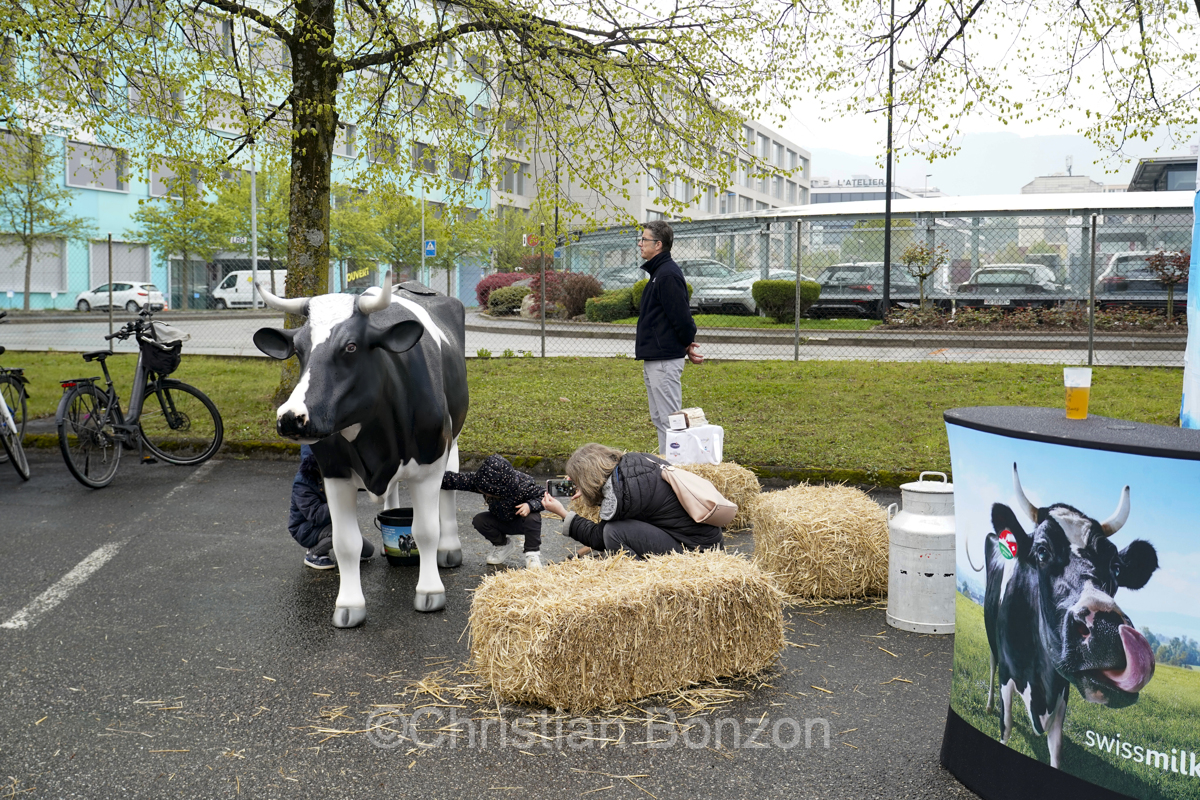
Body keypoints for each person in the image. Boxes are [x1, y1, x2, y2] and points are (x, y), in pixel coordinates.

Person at [540, 443, 723, 557]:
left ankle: (634, 578)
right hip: (706, 541)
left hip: (696, 553)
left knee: (613, 532)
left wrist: (562, 513)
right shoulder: (635, 464)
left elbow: (598, 538)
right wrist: (588, 487)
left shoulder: (622, 495)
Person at [635, 220, 703, 456]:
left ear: (659, 245)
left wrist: (687, 343)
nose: (640, 243)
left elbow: (682, 318)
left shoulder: (667, 275)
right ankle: (668, 467)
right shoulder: (658, 273)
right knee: (660, 419)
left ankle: (677, 470)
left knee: (671, 421)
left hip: (664, 360)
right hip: (655, 358)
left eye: (644, 240)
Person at [441, 455, 545, 569]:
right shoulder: (483, 481)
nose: (481, 491)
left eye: (485, 492)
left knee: (533, 517)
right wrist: (435, 478)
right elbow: (457, 480)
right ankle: (503, 545)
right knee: (479, 520)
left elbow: (544, 496)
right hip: (500, 520)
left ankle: (532, 555)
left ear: (498, 490)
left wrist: (530, 505)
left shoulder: (523, 486)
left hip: (520, 521)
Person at [289, 445, 374, 569]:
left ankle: (342, 546)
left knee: (368, 550)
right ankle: (313, 553)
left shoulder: (329, 473)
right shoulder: (302, 483)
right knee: (341, 533)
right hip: (305, 529)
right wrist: (340, 500)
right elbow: (316, 515)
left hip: (330, 523)